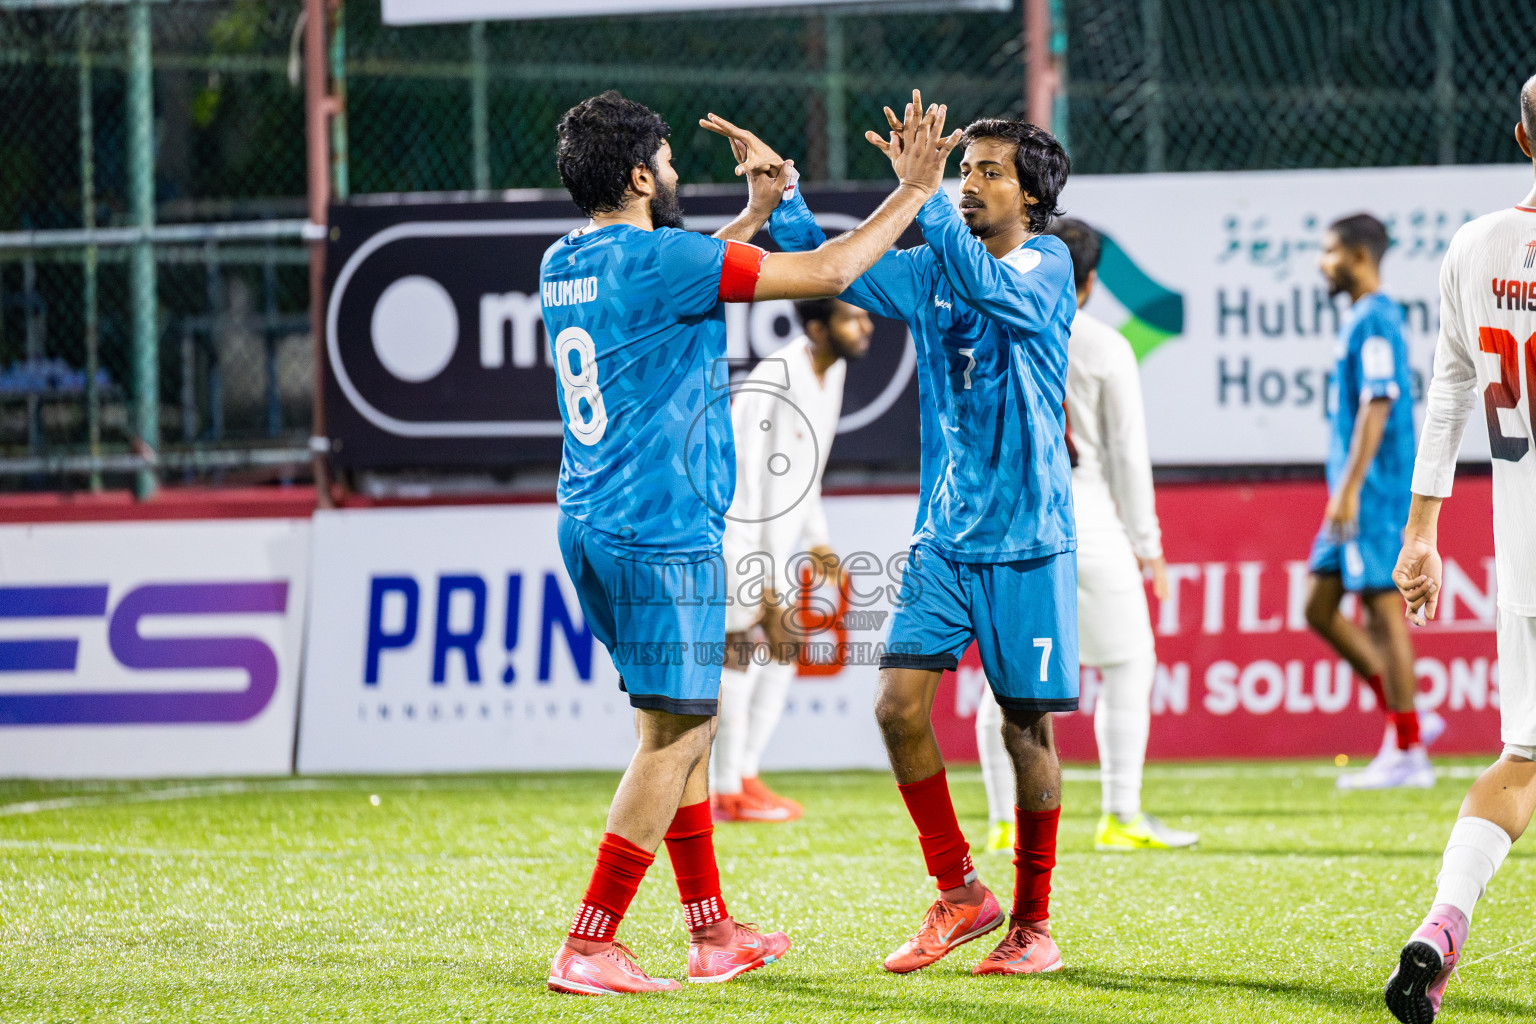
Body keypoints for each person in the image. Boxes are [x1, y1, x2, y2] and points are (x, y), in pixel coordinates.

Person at [540, 90, 961, 996]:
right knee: (676, 734)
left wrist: (760, 214)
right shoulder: (665, 261)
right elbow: (832, 270)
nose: (677, 171)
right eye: (665, 157)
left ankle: (711, 932)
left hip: (590, 521)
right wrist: (917, 191)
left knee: (683, 724)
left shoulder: (565, 260)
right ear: (641, 175)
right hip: (659, 531)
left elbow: (674, 279)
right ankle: (590, 940)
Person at [769, 98, 1079, 976]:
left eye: (989, 171)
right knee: (897, 710)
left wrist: (926, 196)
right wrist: (787, 196)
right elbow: (842, 274)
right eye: (965, 168)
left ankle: (1033, 922)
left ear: (1031, 195)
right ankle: (959, 893)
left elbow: (990, 289)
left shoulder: (1046, 264)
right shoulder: (937, 263)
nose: (971, 183)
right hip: (944, 536)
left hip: (1028, 539)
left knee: (1025, 728)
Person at [1383, 72, 1536, 1024]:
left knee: (1521, 762)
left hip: (1525, 554)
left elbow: (1447, 391)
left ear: (1523, 138)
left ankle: (1444, 923)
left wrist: (1423, 531)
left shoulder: (1477, 246)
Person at [973, 218, 1196, 854]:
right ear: (1090, 283)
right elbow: (1128, 456)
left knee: (1010, 681)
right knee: (1128, 664)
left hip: (1009, 526)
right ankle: (1121, 813)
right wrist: (1148, 545)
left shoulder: (991, 324)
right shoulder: (1102, 344)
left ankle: (1002, 822)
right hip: (1085, 518)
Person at [711, 297, 874, 823]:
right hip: (739, 533)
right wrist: (754, 567)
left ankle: (748, 774)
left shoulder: (833, 372)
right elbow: (743, 474)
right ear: (816, 328)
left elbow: (805, 472)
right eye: (852, 318)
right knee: (736, 651)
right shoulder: (775, 376)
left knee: (785, 646)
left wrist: (818, 540)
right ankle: (725, 789)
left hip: (780, 540)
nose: (865, 325)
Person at [1306, 212, 1442, 790]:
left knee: (1384, 612)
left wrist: (1350, 488)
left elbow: (1380, 403)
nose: (1322, 262)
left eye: (1330, 251)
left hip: (1377, 493)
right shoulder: (1361, 319)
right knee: (1318, 606)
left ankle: (1409, 750)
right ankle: (1409, 718)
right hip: (1356, 493)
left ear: (1359, 257)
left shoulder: (1378, 319)